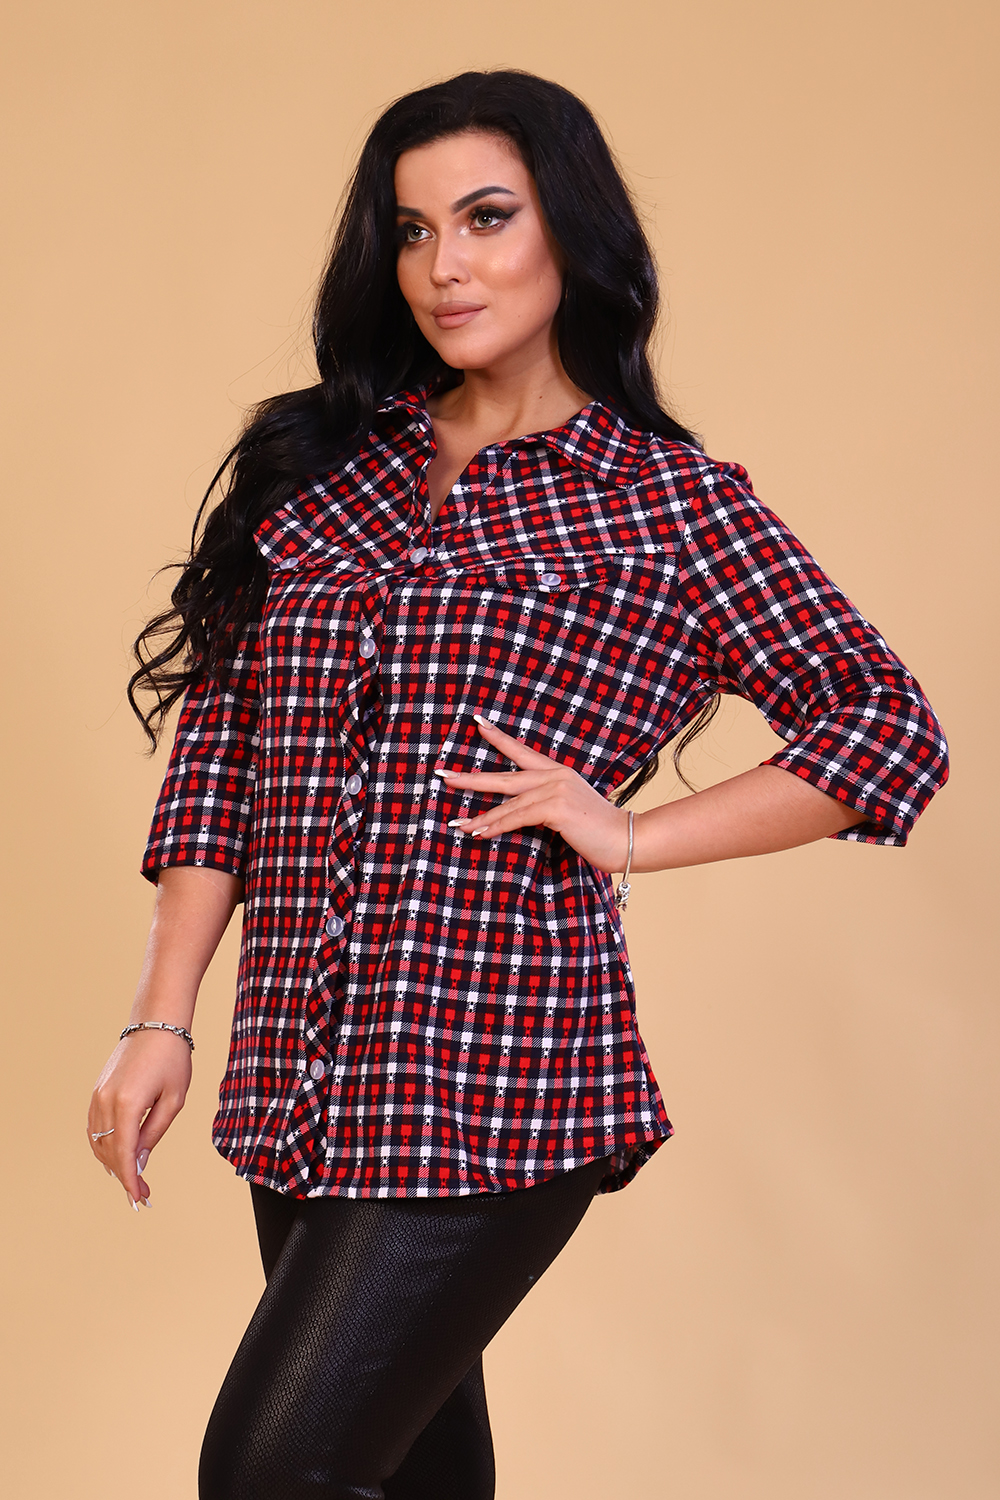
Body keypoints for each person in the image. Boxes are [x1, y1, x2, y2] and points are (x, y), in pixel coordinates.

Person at [87, 69, 948, 1500]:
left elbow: (885, 728)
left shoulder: (669, 504)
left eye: (487, 218)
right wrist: (159, 1018)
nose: (446, 265)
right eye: (413, 231)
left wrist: (634, 833)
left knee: (270, 1473)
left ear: (570, 230)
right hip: (297, 1071)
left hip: (498, 1075)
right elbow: (222, 758)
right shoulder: (320, 471)